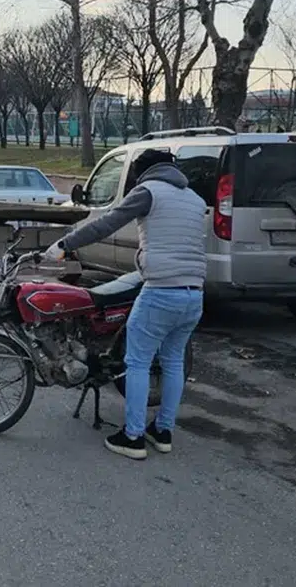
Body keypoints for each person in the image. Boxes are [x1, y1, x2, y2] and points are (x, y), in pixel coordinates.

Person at [43, 148, 207, 460]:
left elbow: (107, 223)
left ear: (142, 172)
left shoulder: (147, 192)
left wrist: (65, 245)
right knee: (172, 362)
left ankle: (132, 437)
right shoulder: (195, 199)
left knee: (138, 361)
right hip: (195, 292)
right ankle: (162, 431)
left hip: (161, 289)